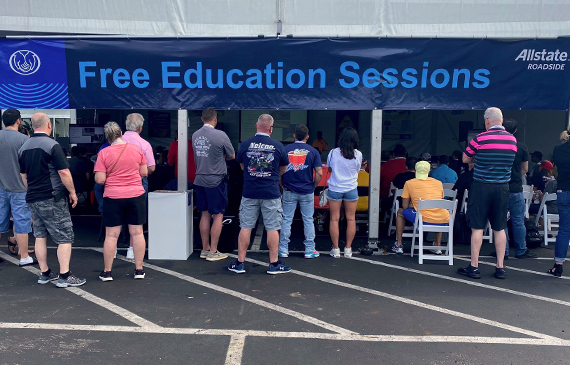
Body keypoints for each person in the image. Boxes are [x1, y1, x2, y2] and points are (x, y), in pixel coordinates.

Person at [18, 112, 86, 287]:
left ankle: (45, 273)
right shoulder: (52, 145)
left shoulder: (23, 148)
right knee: (64, 236)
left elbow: (23, 175)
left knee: (40, 235)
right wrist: (72, 192)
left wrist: (31, 190)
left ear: (32, 126)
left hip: (33, 197)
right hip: (52, 197)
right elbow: (63, 172)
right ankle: (64, 276)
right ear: (49, 125)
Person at [458, 107, 516, 280]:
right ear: (502, 121)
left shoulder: (480, 138)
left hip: (482, 186)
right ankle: (500, 267)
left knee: (477, 227)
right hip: (502, 187)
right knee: (499, 227)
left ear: (487, 121)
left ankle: (474, 266)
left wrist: (477, 159)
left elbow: (465, 158)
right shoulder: (512, 140)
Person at [228, 114, 290, 274]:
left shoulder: (245, 144)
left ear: (256, 126)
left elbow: (241, 165)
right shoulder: (278, 145)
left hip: (250, 191)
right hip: (271, 192)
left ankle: (240, 263)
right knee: (273, 227)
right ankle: (274, 264)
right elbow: (283, 168)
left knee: (246, 226)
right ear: (271, 128)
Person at [94, 122, 148, 281]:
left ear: (107, 137)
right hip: (135, 195)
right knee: (137, 232)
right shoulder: (137, 150)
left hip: (113, 196)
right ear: (121, 133)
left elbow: (100, 179)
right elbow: (144, 172)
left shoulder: (104, 153)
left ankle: (107, 272)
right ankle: (139, 270)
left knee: (111, 235)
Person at [192, 108, 235, 261]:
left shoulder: (195, 135)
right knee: (218, 215)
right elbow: (232, 155)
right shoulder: (220, 135)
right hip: (215, 179)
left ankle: (205, 249)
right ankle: (213, 251)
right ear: (215, 119)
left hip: (200, 178)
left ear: (202, 119)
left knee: (204, 214)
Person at [279, 124, 322, 259]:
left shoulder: (286, 149)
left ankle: (283, 249)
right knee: (308, 220)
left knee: (286, 219)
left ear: (294, 136)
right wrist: (314, 185)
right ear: (307, 137)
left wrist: (281, 184)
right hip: (307, 189)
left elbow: (280, 171)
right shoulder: (313, 151)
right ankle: (309, 250)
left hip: (289, 189)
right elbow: (319, 173)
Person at [0, 109, 34, 266]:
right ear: (18, 120)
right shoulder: (24, 140)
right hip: (20, 187)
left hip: (1, 186)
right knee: (22, 221)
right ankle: (24, 255)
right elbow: (30, 165)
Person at [392, 161, 449, 254]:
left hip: (423, 218)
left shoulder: (409, 183)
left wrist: (413, 204)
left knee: (400, 212)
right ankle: (437, 244)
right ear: (429, 170)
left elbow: (405, 206)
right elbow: (438, 202)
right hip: (444, 218)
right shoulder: (438, 183)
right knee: (438, 212)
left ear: (415, 170)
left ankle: (399, 244)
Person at [121, 113, 155, 259]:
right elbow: (152, 167)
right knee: (136, 216)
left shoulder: (116, 142)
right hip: (138, 182)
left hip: (116, 183)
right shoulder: (144, 144)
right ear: (140, 128)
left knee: (117, 216)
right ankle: (131, 248)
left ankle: (114, 247)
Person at [503, 118, 536, 259]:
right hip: (516, 187)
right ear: (515, 131)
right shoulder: (521, 146)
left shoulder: (499, 145)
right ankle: (521, 249)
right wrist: (516, 175)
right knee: (518, 220)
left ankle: (502, 250)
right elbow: (525, 169)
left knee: (500, 220)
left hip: (501, 186)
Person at [327, 127, 362, 258]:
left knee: (334, 219)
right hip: (351, 188)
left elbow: (330, 169)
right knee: (351, 219)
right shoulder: (358, 154)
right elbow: (357, 170)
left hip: (335, 188)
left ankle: (335, 249)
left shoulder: (333, 152)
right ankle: (348, 249)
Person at [548, 126, 570, 277]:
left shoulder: (558, 149)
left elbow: (555, 170)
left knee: (564, 230)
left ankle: (558, 265)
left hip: (563, 190)